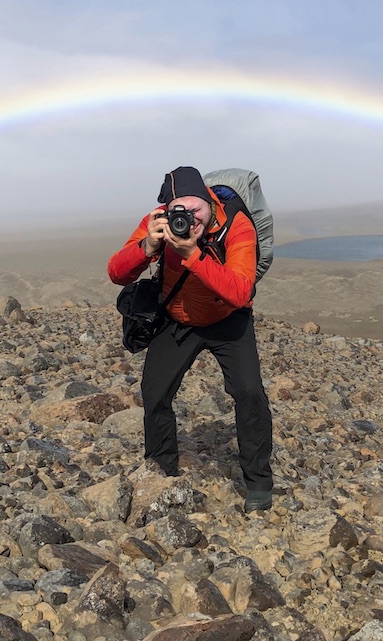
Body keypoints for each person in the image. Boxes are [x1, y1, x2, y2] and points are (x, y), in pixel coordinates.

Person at [108, 166, 274, 512]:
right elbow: (116, 273)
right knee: (155, 393)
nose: (188, 219)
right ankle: (160, 470)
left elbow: (241, 292)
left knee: (249, 393)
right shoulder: (159, 222)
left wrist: (192, 255)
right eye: (178, 211)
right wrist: (148, 245)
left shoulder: (237, 225)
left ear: (209, 200)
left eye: (195, 209)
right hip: (178, 319)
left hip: (228, 319)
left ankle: (258, 484)